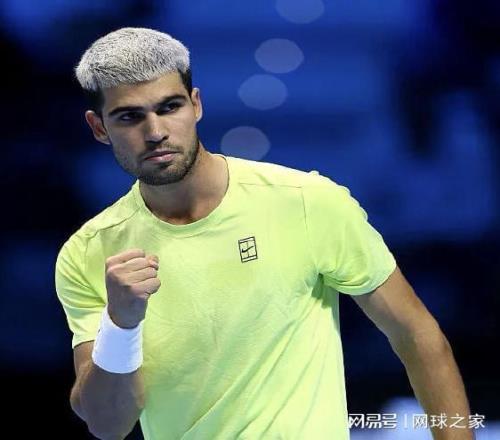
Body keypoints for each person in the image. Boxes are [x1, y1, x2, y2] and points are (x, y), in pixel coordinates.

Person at [55, 27, 474, 440]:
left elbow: (417, 334)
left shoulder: (307, 202)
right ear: (99, 127)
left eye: (170, 107)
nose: (155, 132)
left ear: (196, 105)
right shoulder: (87, 253)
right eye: (130, 116)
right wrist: (121, 324)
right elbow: (108, 424)